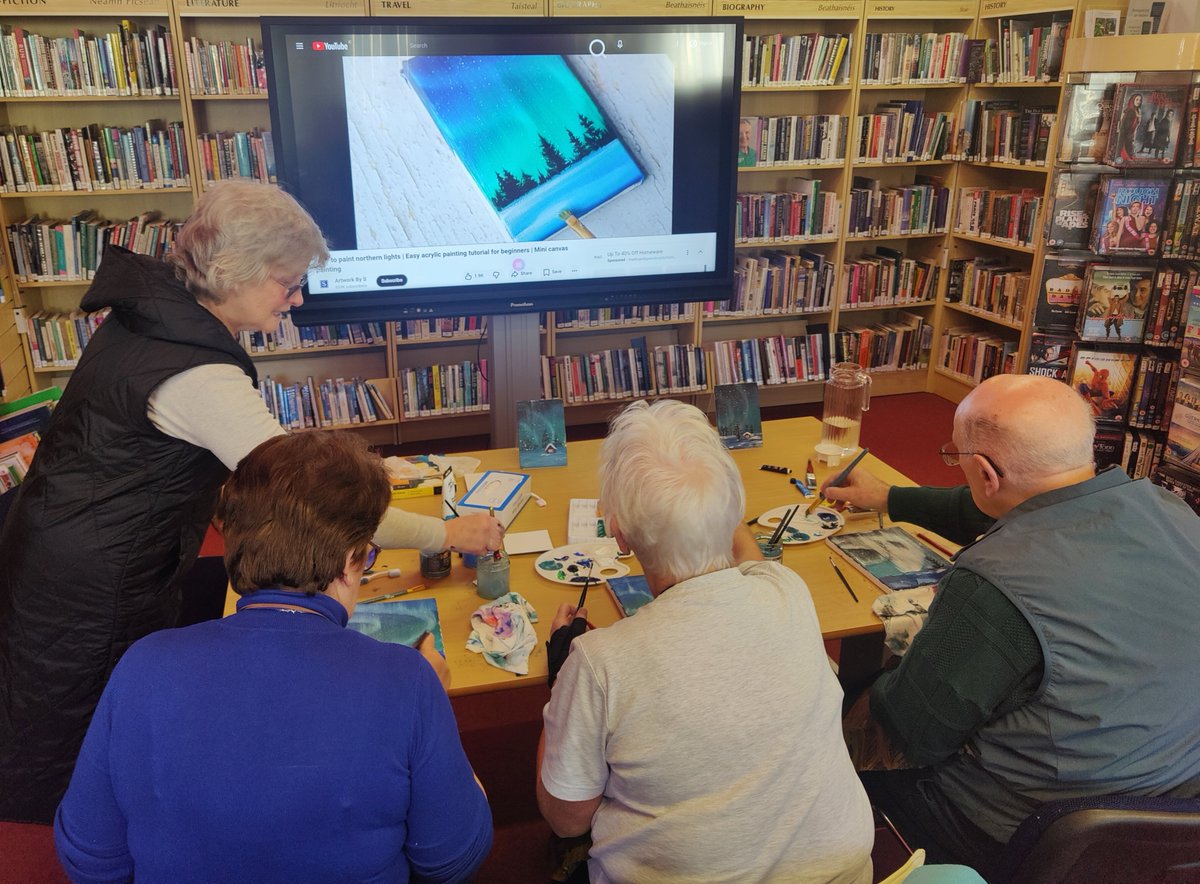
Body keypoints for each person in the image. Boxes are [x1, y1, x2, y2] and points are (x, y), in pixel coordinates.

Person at [0, 180, 503, 823]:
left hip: (83, 543)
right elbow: (310, 496)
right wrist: (449, 535)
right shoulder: (198, 373)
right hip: (94, 584)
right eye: (287, 283)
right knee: (93, 748)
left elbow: (221, 457)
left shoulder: (162, 313)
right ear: (234, 272)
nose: (297, 300)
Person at [54, 432, 492, 881]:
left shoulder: (142, 666)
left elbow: (90, 860)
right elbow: (451, 859)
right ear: (348, 561)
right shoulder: (409, 681)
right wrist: (437, 710)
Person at [823, 374, 1200, 878]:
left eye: (956, 458)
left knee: (846, 708)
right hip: (1170, 812)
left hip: (1026, 831)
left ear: (982, 472)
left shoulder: (993, 585)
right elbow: (1012, 505)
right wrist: (890, 496)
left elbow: (904, 738)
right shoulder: (1170, 510)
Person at [537, 399, 874, 883]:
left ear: (618, 534)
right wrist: (711, 504)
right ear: (730, 509)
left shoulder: (598, 662)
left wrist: (558, 683)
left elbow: (566, 818)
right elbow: (750, 558)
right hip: (841, 873)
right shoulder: (785, 591)